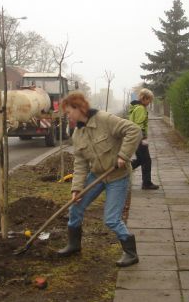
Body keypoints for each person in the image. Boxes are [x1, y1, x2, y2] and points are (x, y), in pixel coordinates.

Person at [57, 92, 141, 267]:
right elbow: (80, 164)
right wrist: (76, 189)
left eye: (68, 112)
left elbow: (134, 130)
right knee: (76, 207)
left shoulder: (104, 119)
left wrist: (123, 155)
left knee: (111, 219)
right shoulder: (77, 134)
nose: (67, 116)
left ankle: (131, 253)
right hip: (97, 175)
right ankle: (74, 245)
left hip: (118, 177)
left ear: (79, 108)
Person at [129, 88, 159, 190]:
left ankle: (124, 169)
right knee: (146, 160)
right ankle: (146, 183)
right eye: (149, 100)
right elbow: (139, 125)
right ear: (143, 98)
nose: (150, 102)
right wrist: (143, 138)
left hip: (135, 137)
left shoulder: (136, 107)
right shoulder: (141, 109)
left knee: (141, 160)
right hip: (139, 138)